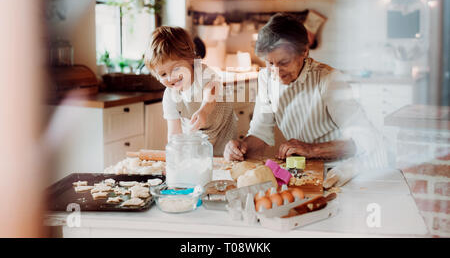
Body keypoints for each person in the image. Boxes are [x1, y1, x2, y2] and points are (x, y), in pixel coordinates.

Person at [224, 13, 389, 187]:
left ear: (304, 51)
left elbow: (365, 140)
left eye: (284, 62)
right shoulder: (266, 78)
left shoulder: (329, 80)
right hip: (306, 169)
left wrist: (311, 149)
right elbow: (260, 133)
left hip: (345, 171)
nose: (276, 72)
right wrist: (240, 148)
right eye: (270, 63)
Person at [145, 26, 237, 156]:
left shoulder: (203, 72)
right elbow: (174, 134)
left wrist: (204, 111)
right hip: (199, 140)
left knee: (224, 166)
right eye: (163, 74)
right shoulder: (170, 95)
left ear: (190, 58)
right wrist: (174, 157)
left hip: (223, 136)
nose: (171, 78)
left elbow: (211, 90)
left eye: (176, 69)